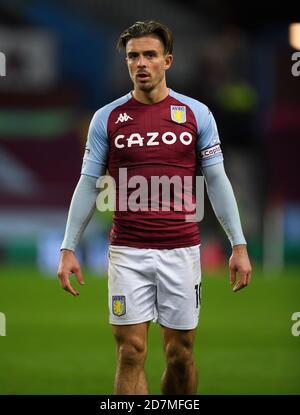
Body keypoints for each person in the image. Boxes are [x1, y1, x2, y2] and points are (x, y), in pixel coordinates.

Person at [57, 20, 252, 395]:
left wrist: (238, 245)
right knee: (130, 352)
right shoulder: (107, 118)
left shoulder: (196, 114)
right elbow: (87, 183)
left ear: (168, 60)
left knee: (180, 354)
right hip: (127, 252)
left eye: (150, 55)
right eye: (133, 56)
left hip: (181, 251)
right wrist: (68, 247)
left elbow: (216, 180)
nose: (141, 63)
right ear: (126, 62)